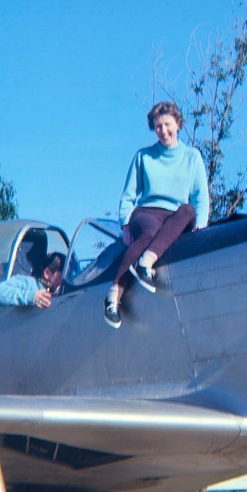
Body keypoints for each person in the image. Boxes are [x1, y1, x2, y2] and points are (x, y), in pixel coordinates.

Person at [105, 101, 209, 328]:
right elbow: (128, 195)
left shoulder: (192, 157)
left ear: (178, 124)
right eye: (158, 126)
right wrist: (125, 224)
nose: (162, 130)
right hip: (147, 213)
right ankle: (113, 296)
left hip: (175, 218)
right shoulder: (143, 156)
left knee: (188, 210)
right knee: (150, 231)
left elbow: (200, 196)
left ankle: (146, 262)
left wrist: (201, 226)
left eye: (167, 124)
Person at [0, 252, 65, 309]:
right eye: (61, 275)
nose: (63, 280)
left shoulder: (59, 292)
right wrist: (32, 296)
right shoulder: (28, 283)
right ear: (47, 273)